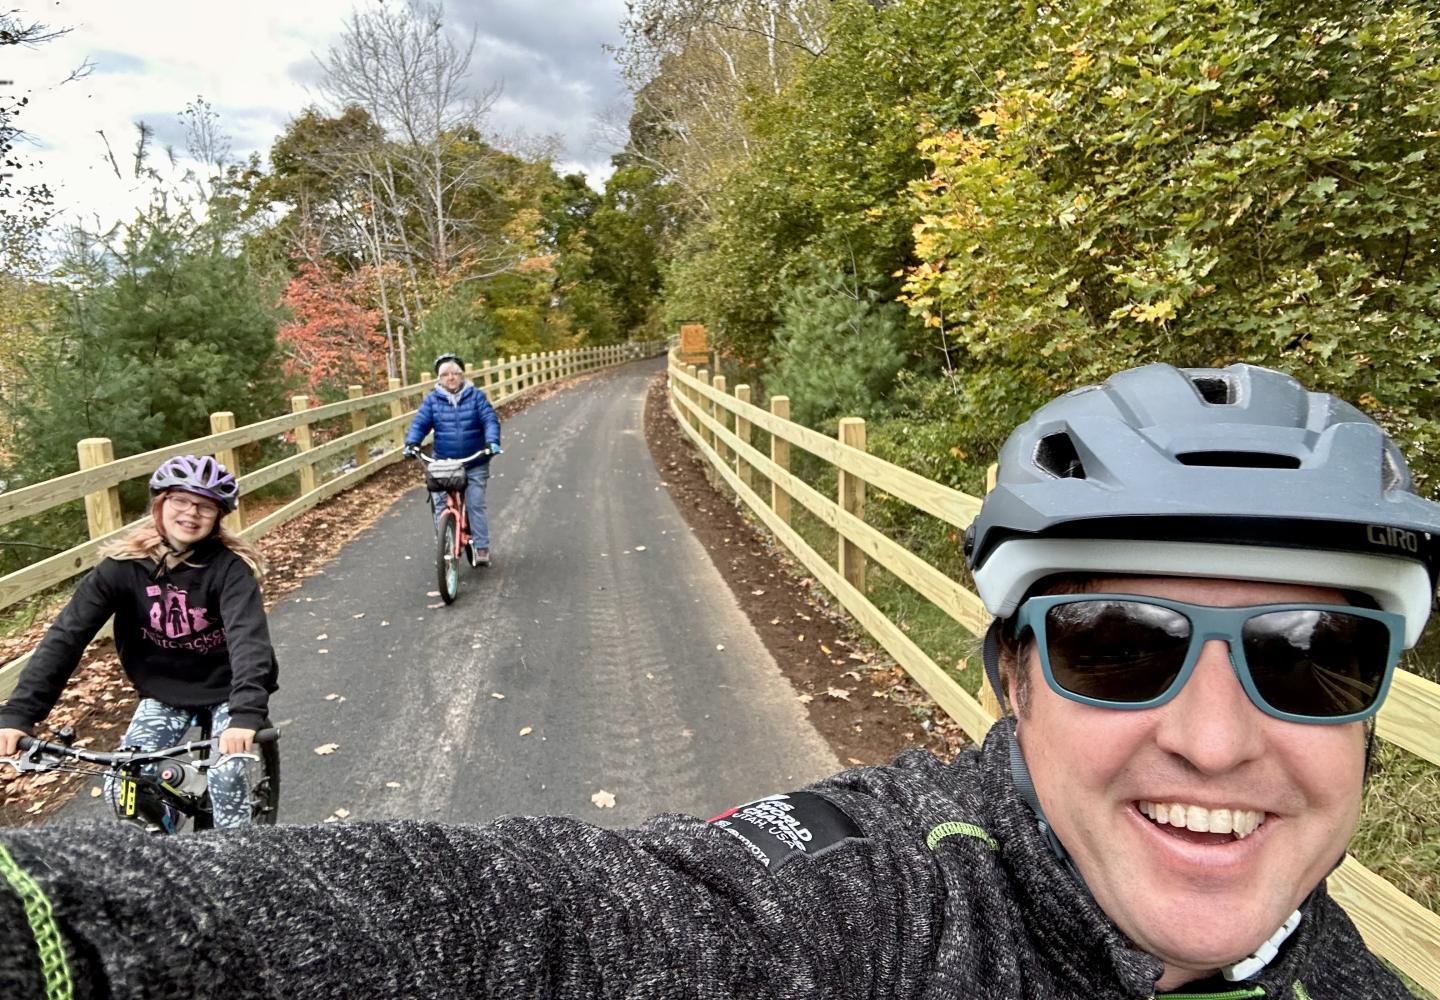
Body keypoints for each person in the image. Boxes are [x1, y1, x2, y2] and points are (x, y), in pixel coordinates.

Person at [0, 363, 1432, 998]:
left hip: (361, 565)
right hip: (173, 686)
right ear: (1014, 675)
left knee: (469, 510)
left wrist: (253, 706)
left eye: (1319, 657)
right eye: (1121, 645)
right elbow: (538, 927)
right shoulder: (886, 905)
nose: (1214, 737)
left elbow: (253, 640)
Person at [0, 455, 278, 831]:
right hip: (166, 692)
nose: (191, 513)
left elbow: (249, 640)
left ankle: (239, 865)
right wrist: (19, 713)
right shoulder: (120, 568)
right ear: (160, 504)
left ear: (217, 517)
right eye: (181, 500)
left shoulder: (230, 570)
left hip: (230, 690)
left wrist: (245, 715)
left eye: (205, 506)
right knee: (122, 783)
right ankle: (164, 839)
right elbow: (67, 636)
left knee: (226, 776)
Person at [402, 352, 502, 566]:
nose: (451, 377)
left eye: (455, 373)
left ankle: (481, 547)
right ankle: (445, 542)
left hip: (474, 460)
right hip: (443, 464)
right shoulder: (432, 401)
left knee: (475, 502)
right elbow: (419, 424)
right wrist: (412, 443)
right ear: (439, 378)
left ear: (462, 375)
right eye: (445, 374)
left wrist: (492, 442)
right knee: (440, 504)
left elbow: (490, 420)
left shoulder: (476, 397)